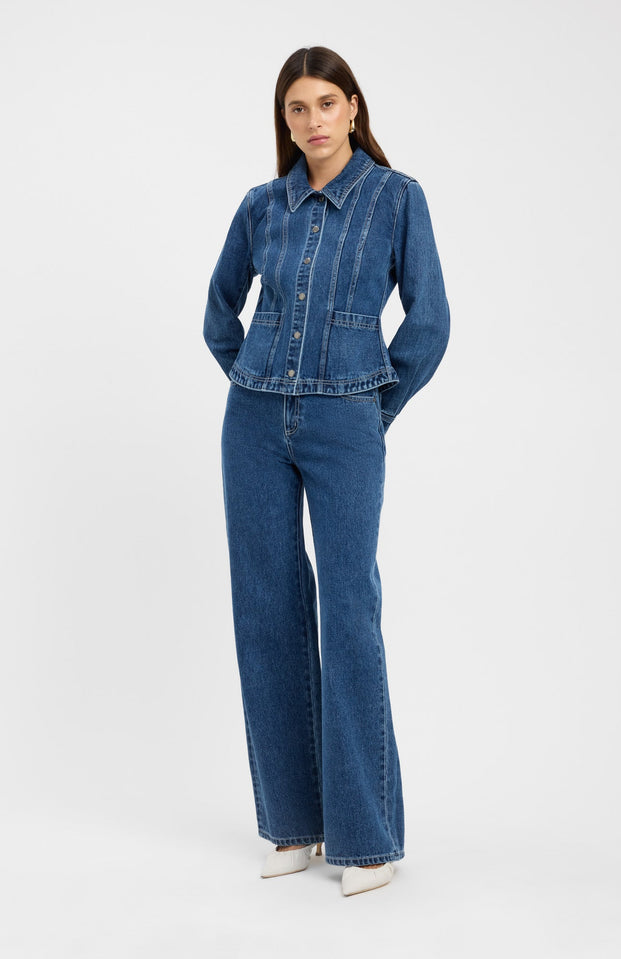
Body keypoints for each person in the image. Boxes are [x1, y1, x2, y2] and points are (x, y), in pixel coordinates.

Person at [203, 45, 450, 897]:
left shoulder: (396, 198)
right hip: (253, 421)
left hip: (348, 420)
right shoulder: (260, 205)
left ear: (353, 108)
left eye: (325, 104)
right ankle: (293, 825)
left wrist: (373, 406)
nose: (312, 121)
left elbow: (430, 322)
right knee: (266, 607)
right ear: (285, 119)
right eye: (296, 108)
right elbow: (218, 311)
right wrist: (250, 376)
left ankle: (367, 838)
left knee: (349, 611)